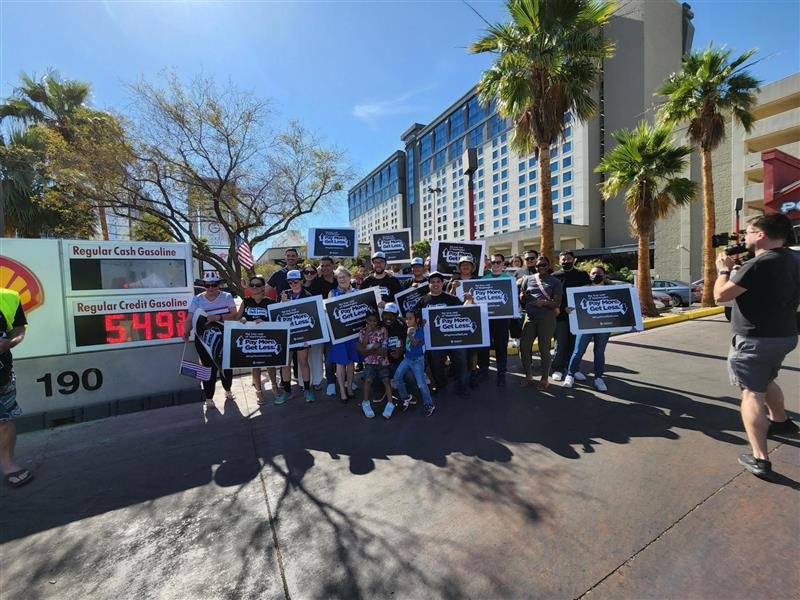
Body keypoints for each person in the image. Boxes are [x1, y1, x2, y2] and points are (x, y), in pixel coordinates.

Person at [714, 213, 800, 479]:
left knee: (751, 393)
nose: (745, 238)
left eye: (749, 232)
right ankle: (782, 422)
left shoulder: (759, 263)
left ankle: (760, 458)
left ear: (761, 234)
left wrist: (724, 271)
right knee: (766, 378)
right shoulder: (794, 258)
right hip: (784, 335)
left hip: (754, 340)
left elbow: (720, 295)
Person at [183, 274, 237, 409]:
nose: (211, 287)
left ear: (219, 284)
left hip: (224, 336)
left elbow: (234, 314)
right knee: (208, 368)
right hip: (203, 339)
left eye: (214, 284)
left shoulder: (227, 296)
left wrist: (217, 317)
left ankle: (228, 389)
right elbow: (190, 318)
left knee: (226, 365)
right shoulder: (197, 299)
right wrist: (186, 330)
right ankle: (209, 397)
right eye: (208, 285)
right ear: (204, 285)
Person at [417, 271, 473, 397]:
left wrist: (469, 301)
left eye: (438, 282)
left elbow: (464, 312)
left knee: (461, 362)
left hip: (454, 339)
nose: (435, 284)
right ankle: (441, 387)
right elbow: (414, 318)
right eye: (432, 282)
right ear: (429, 284)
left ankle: (462, 387)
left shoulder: (451, 298)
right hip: (434, 340)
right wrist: (420, 321)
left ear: (442, 283)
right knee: (436, 365)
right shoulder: (423, 300)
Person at [0, 288, 32, 488]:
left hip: (3, 375)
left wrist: (7, 344)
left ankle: (8, 465)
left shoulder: (10, 297)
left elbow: (20, 329)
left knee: (4, 422)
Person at [563, 265, 612, 391]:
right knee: (578, 351)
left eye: (599, 273)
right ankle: (570, 375)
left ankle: (599, 378)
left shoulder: (612, 290)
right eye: (593, 273)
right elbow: (573, 307)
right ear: (590, 276)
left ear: (605, 275)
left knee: (599, 352)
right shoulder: (582, 290)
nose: (596, 275)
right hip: (585, 326)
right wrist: (569, 309)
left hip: (603, 327)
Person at [518, 255, 562, 390]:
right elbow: (522, 299)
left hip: (546, 318)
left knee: (544, 349)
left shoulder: (555, 282)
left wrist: (544, 303)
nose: (541, 267)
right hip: (529, 317)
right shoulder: (527, 279)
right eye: (538, 266)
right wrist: (522, 297)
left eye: (544, 265)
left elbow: (557, 303)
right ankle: (528, 376)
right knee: (524, 347)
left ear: (548, 266)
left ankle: (544, 379)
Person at [235, 275, 279, 405]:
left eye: (257, 285)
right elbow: (237, 318)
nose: (254, 288)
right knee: (255, 365)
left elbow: (277, 320)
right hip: (251, 340)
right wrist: (242, 319)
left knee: (270, 363)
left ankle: (274, 386)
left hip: (267, 339)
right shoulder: (246, 301)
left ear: (262, 287)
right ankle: (259, 392)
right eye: (252, 285)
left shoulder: (270, 302)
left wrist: (265, 321)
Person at [274, 270, 315, 404]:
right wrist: (282, 302)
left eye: (296, 281)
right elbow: (276, 314)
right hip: (287, 335)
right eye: (290, 282)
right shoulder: (284, 294)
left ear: (301, 281)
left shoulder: (308, 294)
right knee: (285, 363)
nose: (293, 284)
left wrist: (308, 336)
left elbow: (312, 316)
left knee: (303, 362)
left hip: (303, 335)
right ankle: (287, 392)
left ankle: (308, 389)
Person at [551, 251, 591, 382]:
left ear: (574, 260)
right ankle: (557, 369)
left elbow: (588, 294)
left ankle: (574, 369)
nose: (566, 261)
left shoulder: (582, 275)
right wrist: (562, 308)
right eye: (563, 259)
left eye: (568, 259)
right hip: (561, 316)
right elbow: (551, 297)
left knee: (576, 345)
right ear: (559, 261)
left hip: (578, 316)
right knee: (560, 344)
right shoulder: (554, 276)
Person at [477, 253, 513, 387]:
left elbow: (512, 300)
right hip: (485, 318)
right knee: (484, 346)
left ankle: (501, 373)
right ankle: (484, 370)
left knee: (501, 346)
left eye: (498, 262)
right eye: (493, 262)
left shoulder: (509, 279)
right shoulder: (483, 279)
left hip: (502, 319)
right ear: (489, 264)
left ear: (503, 263)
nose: (496, 265)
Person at [393, 310, 436, 416]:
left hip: (417, 361)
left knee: (421, 384)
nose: (407, 321)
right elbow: (401, 318)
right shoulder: (409, 324)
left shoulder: (420, 331)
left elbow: (415, 343)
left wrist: (409, 334)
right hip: (407, 359)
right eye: (406, 318)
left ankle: (429, 403)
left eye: (410, 318)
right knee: (397, 377)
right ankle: (406, 397)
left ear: (416, 320)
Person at [328, 267, 360, 403]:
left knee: (351, 361)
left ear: (349, 276)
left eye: (344, 276)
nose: (342, 279)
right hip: (339, 334)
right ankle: (342, 391)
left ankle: (350, 388)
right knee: (341, 363)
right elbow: (328, 313)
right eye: (339, 277)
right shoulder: (332, 293)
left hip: (353, 333)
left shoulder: (358, 292)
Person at [356, 311, 394, 418]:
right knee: (368, 380)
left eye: (374, 321)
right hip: (369, 361)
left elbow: (384, 349)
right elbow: (363, 347)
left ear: (377, 321)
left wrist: (370, 348)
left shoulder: (383, 330)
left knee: (386, 380)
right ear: (366, 321)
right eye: (369, 321)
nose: (372, 323)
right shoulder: (363, 332)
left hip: (382, 361)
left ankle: (390, 403)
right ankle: (366, 402)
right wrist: (370, 338)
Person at [311, 257, 339, 396]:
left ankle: (343, 378)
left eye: (328, 265)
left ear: (333, 266)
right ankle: (331, 382)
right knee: (328, 355)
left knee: (340, 351)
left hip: (340, 322)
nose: (325, 268)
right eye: (322, 266)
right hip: (325, 324)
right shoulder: (316, 283)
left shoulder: (339, 280)